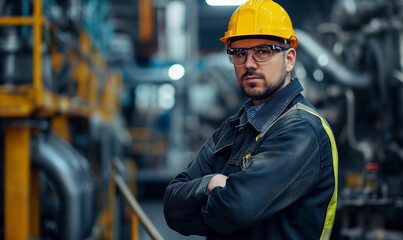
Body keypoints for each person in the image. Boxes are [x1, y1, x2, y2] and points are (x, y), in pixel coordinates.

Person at [163, 0, 338, 239]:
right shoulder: (235, 126)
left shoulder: (301, 129)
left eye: (263, 52)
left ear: (289, 59)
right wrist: (212, 182)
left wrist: (205, 202)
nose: (249, 64)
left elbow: (237, 209)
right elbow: (172, 206)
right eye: (239, 53)